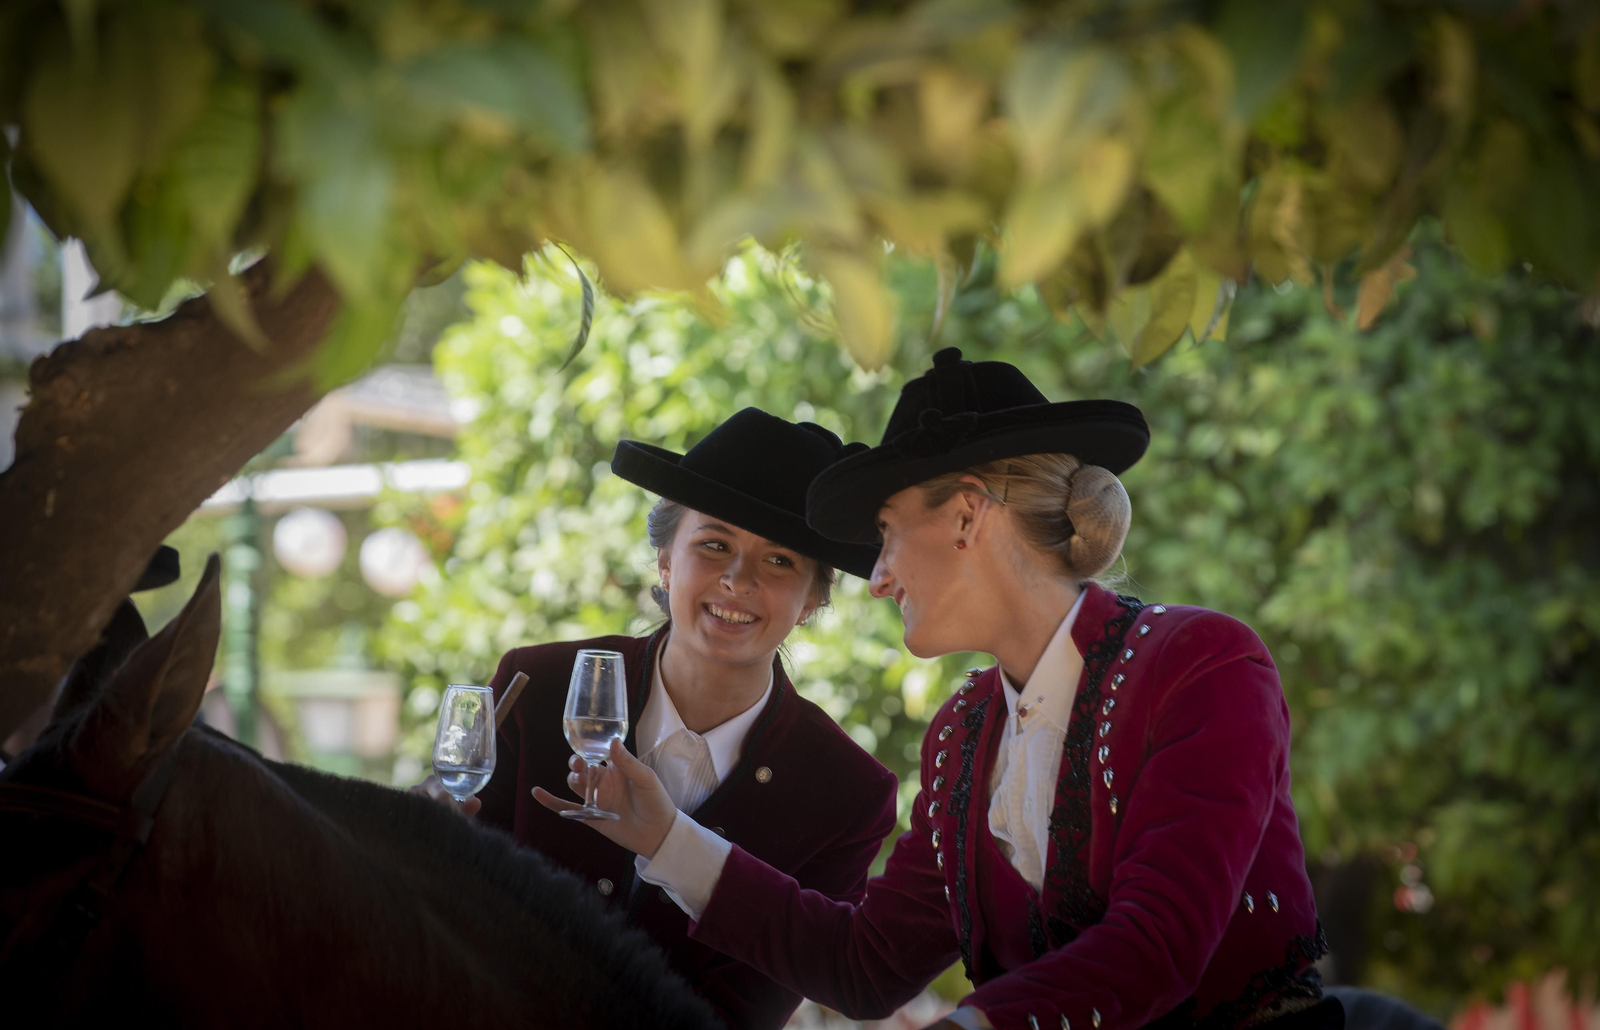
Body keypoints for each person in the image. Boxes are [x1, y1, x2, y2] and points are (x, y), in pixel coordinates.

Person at [546, 349, 1341, 1030]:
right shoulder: (962, 734)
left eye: (886, 532)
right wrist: (664, 836)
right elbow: (866, 966)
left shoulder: (1202, 663)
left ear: (966, 516)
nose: (878, 578)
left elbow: (1157, 943)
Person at [417, 408, 899, 1030]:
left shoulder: (847, 794)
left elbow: (741, 1014)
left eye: (779, 560)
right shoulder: (534, 688)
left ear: (811, 599)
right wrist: (416, 833)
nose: (738, 580)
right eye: (714, 545)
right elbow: (443, 906)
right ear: (666, 561)